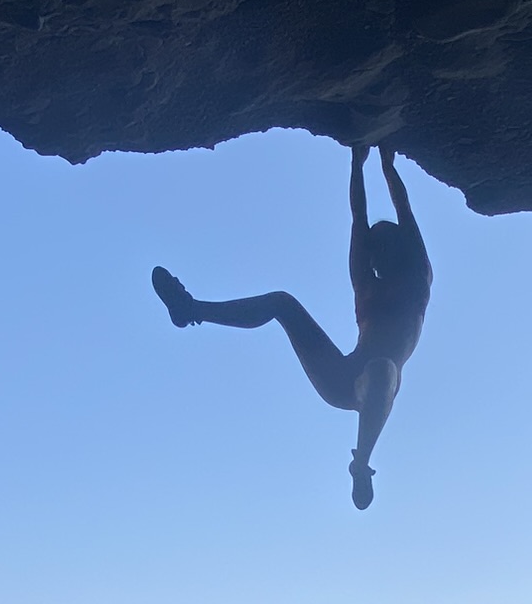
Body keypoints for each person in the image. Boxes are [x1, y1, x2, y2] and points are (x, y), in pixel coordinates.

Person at [152, 143, 431, 509]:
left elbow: (404, 210)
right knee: (282, 303)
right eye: (374, 257)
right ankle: (190, 310)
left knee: (382, 368)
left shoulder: (418, 278)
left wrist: (387, 165)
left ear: (398, 249)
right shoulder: (366, 282)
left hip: (378, 384)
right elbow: (357, 217)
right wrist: (356, 162)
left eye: (381, 255)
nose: (375, 263)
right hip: (342, 377)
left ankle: (360, 466)